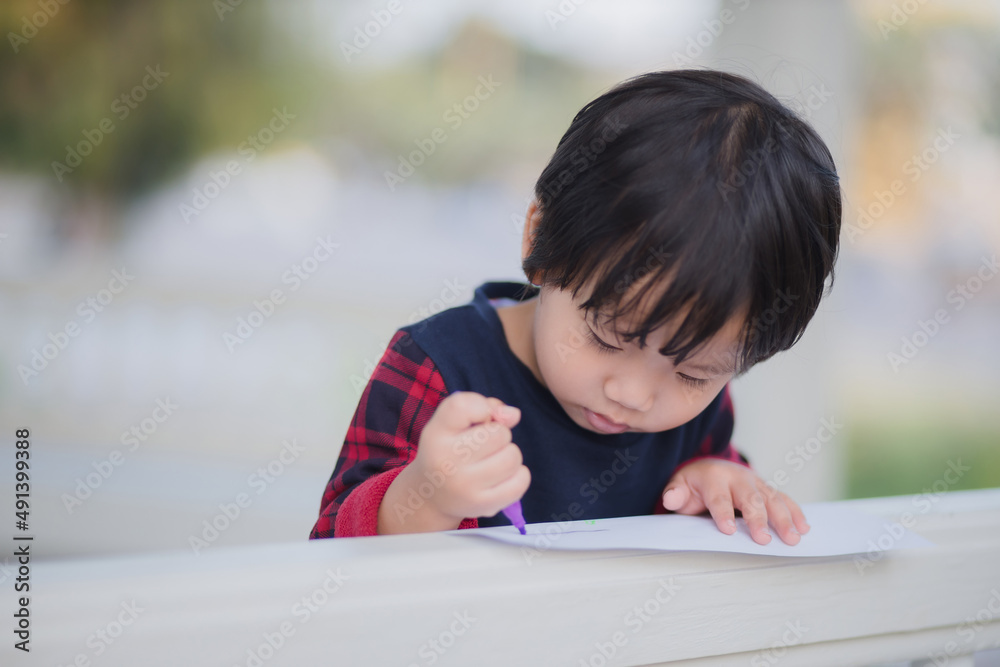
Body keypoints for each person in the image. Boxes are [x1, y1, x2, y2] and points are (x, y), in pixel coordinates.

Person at [310, 69, 841, 546]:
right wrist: (423, 499)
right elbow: (331, 551)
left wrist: (716, 482)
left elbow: (699, 518)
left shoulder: (700, 413)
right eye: (608, 338)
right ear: (540, 239)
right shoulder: (437, 365)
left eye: (693, 373)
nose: (632, 394)